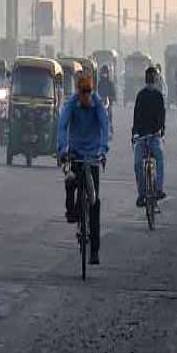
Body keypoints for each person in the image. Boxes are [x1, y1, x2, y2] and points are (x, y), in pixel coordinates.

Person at [58, 74, 109, 265]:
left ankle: (94, 250)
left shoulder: (98, 105)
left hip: (94, 154)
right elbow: (62, 126)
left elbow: (105, 127)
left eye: (89, 92)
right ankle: (71, 210)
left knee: (94, 203)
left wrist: (103, 150)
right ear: (78, 92)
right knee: (70, 179)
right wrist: (63, 149)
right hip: (76, 152)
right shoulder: (71, 104)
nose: (86, 96)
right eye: (83, 92)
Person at [132, 66, 166, 207]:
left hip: (154, 136)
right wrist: (134, 133)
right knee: (137, 163)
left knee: (159, 158)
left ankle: (158, 189)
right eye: (150, 77)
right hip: (141, 137)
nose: (151, 80)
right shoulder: (141, 95)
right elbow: (136, 116)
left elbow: (162, 117)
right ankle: (141, 195)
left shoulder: (159, 96)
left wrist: (161, 130)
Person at [97, 65, 116, 136]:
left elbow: (113, 93)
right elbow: (97, 92)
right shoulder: (99, 83)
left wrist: (112, 98)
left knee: (110, 114)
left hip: (108, 102)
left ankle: (110, 127)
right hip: (100, 102)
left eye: (105, 73)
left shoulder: (110, 83)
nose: (104, 75)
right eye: (103, 73)